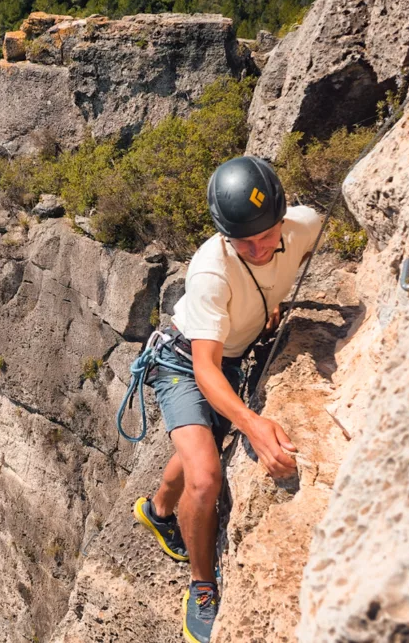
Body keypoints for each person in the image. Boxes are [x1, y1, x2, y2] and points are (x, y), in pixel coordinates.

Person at [131, 156, 322, 643]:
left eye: (267, 236)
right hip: (182, 361)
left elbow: (287, 256)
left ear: (282, 217)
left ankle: (156, 512)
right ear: (224, 236)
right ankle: (201, 585)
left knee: (202, 447)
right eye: (245, 242)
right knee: (206, 474)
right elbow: (203, 368)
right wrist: (255, 426)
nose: (259, 249)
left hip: (229, 357)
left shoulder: (302, 226)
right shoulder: (210, 272)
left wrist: (269, 304)